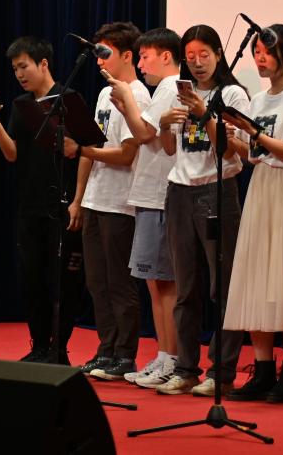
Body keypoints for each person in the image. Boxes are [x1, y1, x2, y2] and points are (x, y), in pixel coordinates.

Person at [221, 24, 283, 403]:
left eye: (267, 52)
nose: (260, 59)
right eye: (256, 52)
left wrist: (252, 133)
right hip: (261, 186)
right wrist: (234, 139)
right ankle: (262, 370)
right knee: (258, 276)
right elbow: (254, 154)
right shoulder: (258, 99)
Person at [155, 25, 250, 397]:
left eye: (204, 55)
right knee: (186, 288)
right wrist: (165, 125)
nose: (196, 63)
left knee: (222, 287)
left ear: (218, 54)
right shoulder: (181, 93)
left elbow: (230, 150)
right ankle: (185, 368)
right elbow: (169, 149)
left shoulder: (233, 94)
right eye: (190, 56)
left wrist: (204, 114)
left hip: (217, 189)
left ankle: (221, 372)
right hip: (179, 190)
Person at [0, 36, 85, 363]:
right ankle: (39, 345)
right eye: (14, 69)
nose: (19, 74)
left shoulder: (69, 99)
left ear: (43, 64)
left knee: (63, 282)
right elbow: (12, 154)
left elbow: (87, 152)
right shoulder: (21, 104)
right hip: (29, 204)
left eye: (23, 66)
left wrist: (78, 200)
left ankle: (59, 348)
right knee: (32, 278)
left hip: (63, 205)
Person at [69, 22, 150, 381]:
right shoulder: (104, 95)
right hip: (95, 199)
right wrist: (78, 198)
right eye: (97, 53)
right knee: (96, 282)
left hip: (121, 202)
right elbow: (91, 145)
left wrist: (82, 150)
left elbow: (127, 155)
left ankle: (125, 355)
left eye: (106, 54)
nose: (99, 61)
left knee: (119, 282)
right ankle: (106, 350)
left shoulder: (138, 96)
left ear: (128, 55)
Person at [103, 27, 182, 387]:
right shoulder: (163, 89)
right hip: (149, 193)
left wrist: (127, 100)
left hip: (161, 193)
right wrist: (126, 105)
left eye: (146, 56)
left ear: (165, 56)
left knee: (165, 283)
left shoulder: (170, 86)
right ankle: (164, 355)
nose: (142, 63)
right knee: (155, 283)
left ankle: (174, 358)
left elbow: (145, 134)